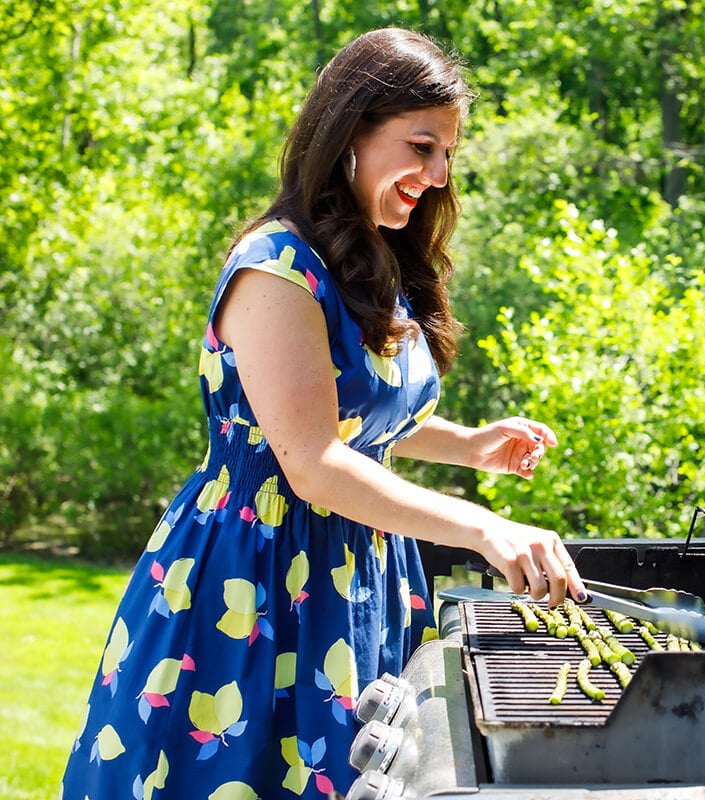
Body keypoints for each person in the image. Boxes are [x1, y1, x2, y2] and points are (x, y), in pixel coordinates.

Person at [61, 27, 585, 799]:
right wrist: (485, 527)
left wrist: (470, 445)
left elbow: (355, 422)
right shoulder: (276, 267)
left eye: (447, 154)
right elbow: (310, 461)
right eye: (421, 146)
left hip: (355, 574)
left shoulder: (369, 258)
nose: (438, 176)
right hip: (258, 582)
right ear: (351, 130)